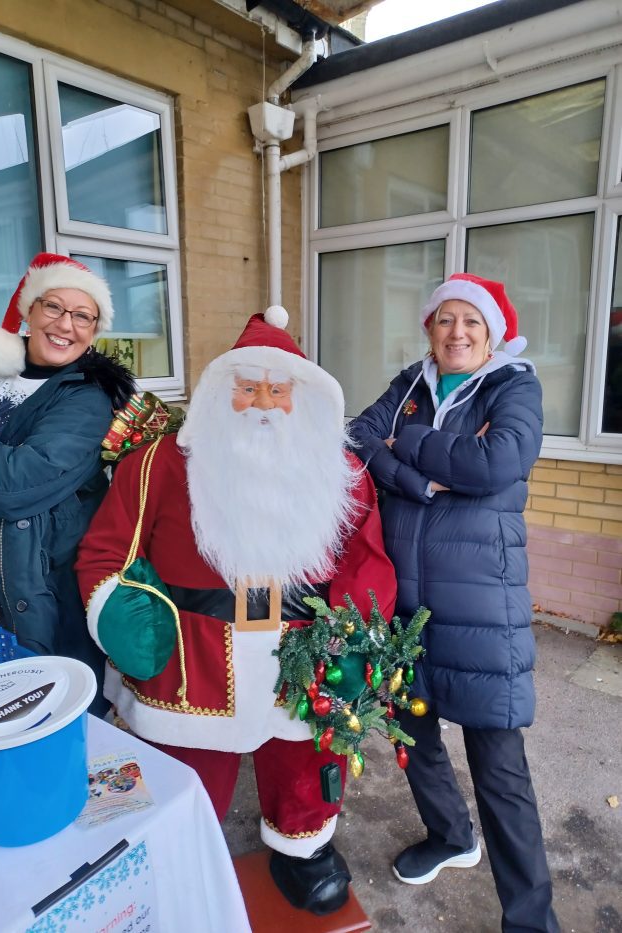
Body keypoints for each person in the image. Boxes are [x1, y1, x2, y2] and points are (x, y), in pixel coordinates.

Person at [76, 307, 397, 915]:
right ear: (222, 391)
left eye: (279, 389)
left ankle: (303, 848)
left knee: (305, 760)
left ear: (301, 396)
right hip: (192, 660)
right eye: (247, 388)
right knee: (187, 772)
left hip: (305, 653)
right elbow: (106, 550)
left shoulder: (345, 473)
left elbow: (367, 559)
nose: (264, 403)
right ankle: (180, 848)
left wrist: (356, 638)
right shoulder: (158, 464)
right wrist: (122, 615)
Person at [348, 273, 560, 932]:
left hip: (481, 607)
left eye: (471, 321)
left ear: (491, 331)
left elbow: (497, 463)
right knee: (415, 739)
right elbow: (358, 436)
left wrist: (403, 444)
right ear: (428, 328)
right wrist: (426, 479)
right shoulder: (409, 384)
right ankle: (450, 835)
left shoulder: (513, 385)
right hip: (404, 604)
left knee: (500, 769)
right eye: (445, 320)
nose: (457, 332)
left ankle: (531, 918)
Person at [0, 253, 134, 713]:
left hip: (33, 603)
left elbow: (11, 490)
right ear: (29, 310)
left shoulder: (86, 401)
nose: (66, 324)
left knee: (29, 734)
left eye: (83, 316)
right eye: (54, 307)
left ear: (94, 331)